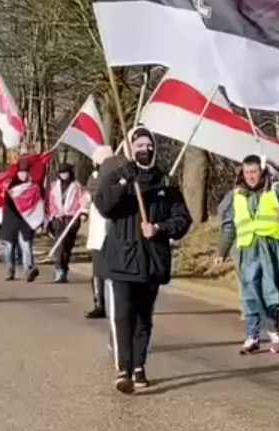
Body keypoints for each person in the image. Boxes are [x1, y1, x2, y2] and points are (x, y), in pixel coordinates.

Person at [93, 129, 191, 393]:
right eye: (139, 145)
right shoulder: (117, 176)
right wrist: (124, 181)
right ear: (130, 148)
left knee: (143, 317)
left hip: (152, 261)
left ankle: (139, 365)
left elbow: (182, 220)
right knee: (124, 315)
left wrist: (159, 227)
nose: (144, 149)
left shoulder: (165, 182)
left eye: (148, 145)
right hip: (122, 260)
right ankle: (124, 368)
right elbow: (103, 205)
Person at [214, 154, 279, 354]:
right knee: (249, 293)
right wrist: (222, 251)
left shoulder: (276, 189)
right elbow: (229, 227)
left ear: (262, 171)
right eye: (247, 172)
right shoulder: (235, 196)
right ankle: (252, 336)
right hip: (247, 250)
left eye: (254, 172)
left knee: (271, 292)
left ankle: (274, 333)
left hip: (272, 249)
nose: (251, 176)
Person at [0, 157, 40, 282]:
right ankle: (9, 269)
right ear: (17, 173)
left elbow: (37, 203)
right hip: (11, 219)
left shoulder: (32, 186)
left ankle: (29, 270)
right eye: (21, 172)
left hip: (26, 220)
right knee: (9, 247)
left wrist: (39, 221)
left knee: (26, 246)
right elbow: (2, 197)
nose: (23, 174)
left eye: (25, 172)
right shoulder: (9, 185)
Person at [45, 162, 87, 283]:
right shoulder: (54, 186)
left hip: (71, 219)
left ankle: (65, 268)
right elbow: (49, 202)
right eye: (61, 173)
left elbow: (83, 200)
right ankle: (59, 269)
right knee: (59, 244)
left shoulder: (77, 186)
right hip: (58, 218)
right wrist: (50, 217)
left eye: (66, 172)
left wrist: (83, 213)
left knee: (68, 246)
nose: (64, 175)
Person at [83, 162, 108, 319]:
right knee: (98, 269)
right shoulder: (93, 178)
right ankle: (99, 305)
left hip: (115, 232)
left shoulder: (120, 179)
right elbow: (87, 198)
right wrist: (84, 212)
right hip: (98, 230)